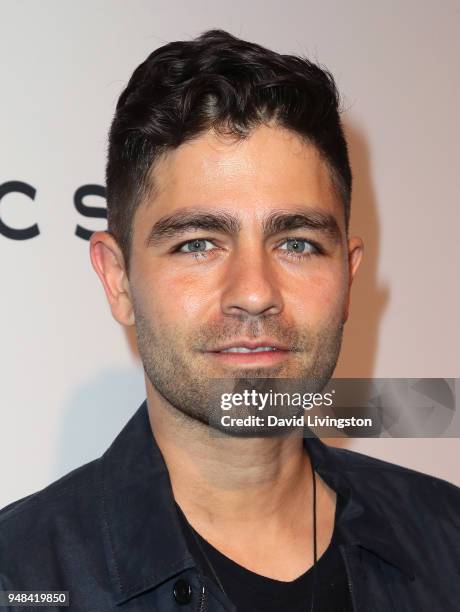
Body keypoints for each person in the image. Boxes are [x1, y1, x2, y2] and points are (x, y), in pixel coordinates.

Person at [0, 29, 459, 612]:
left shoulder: (447, 538)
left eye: (296, 243)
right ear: (118, 279)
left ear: (347, 276)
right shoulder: (19, 578)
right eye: (197, 243)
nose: (254, 293)